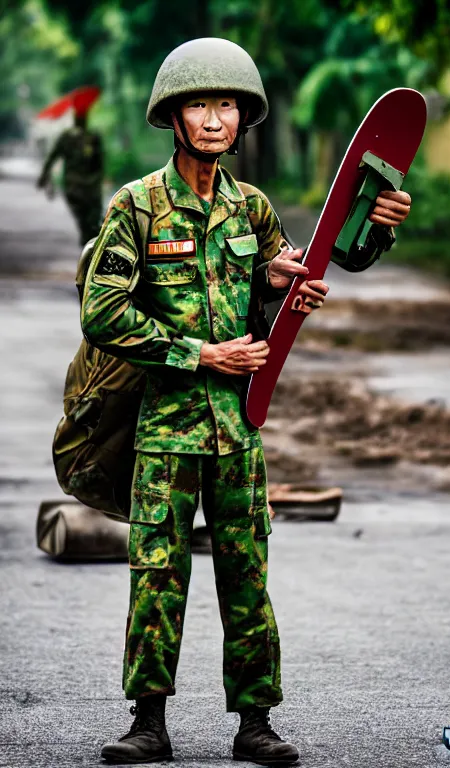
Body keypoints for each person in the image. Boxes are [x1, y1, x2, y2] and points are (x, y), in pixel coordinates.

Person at [80, 38, 412, 766]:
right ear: (172, 115)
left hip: (238, 426)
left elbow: (307, 262)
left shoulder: (251, 208)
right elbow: (101, 312)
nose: (213, 118)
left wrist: (372, 230)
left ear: (242, 118)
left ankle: (255, 723)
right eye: (198, 103)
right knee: (158, 576)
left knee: (247, 577)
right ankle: (148, 723)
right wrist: (201, 352)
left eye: (226, 104)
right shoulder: (136, 206)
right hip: (164, 429)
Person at [36, 108, 103, 245]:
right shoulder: (69, 138)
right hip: (78, 186)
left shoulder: (92, 137)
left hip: (87, 186)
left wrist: (44, 175)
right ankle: (88, 242)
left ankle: (90, 242)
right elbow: (53, 157)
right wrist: (44, 175)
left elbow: (100, 161)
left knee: (92, 219)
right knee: (84, 219)